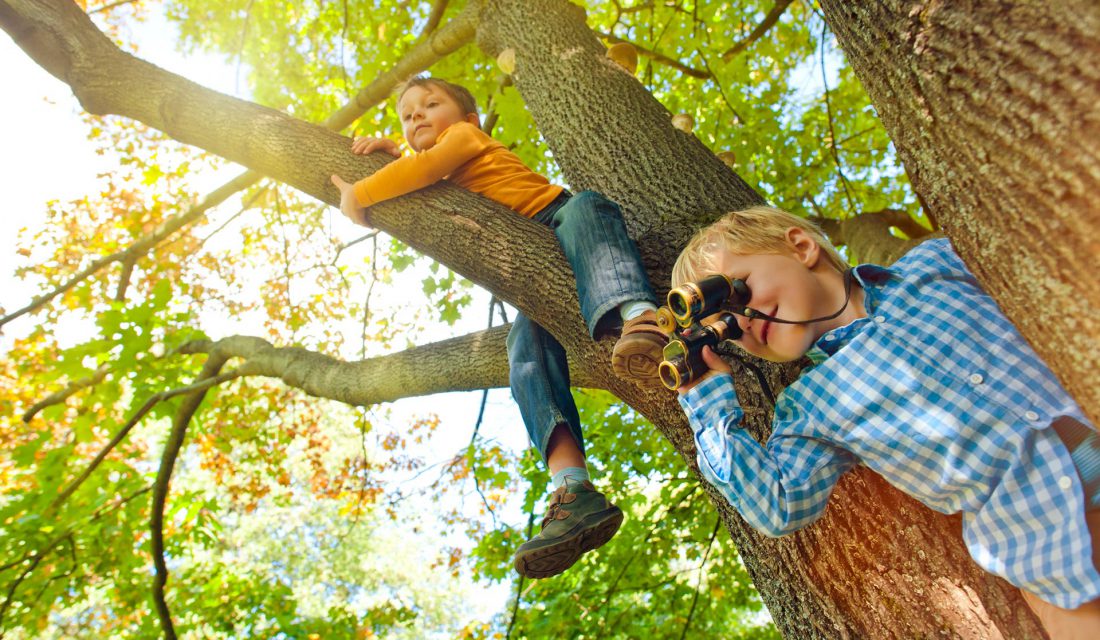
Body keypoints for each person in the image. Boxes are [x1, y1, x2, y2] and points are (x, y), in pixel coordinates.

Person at [671, 205, 1100, 638]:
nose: (743, 322)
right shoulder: (810, 404)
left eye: (737, 292)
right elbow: (777, 505)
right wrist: (705, 399)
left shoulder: (934, 265)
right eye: (727, 328)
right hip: (1056, 560)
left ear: (800, 247)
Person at [330, 77, 668, 579]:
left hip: (558, 220)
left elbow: (427, 169)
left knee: (585, 206)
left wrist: (360, 193)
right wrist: (392, 154)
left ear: (468, 121)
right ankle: (574, 490)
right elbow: (423, 177)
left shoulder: (468, 139)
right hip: (531, 265)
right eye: (407, 115)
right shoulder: (439, 165)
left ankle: (641, 318)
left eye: (431, 105)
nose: (417, 116)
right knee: (524, 347)